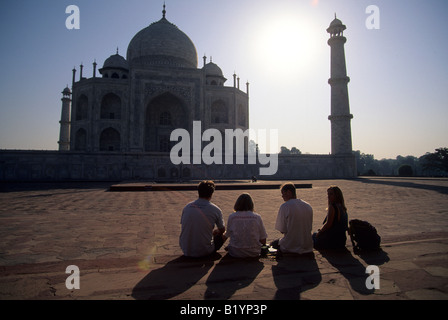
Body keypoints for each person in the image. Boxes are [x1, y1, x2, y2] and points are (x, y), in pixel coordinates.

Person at [179, 180, 226, 258]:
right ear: (211, 193)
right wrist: (215, 232)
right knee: (224, 233)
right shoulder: (215, 209)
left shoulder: (187, 207)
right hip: (205, 251)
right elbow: (222, 230)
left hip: (186, 250)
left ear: (198, 192)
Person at [270, 182, 313, 254]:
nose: (282, 196)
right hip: (307, 246)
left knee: (273, 244)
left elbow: (282, 230)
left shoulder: (285, 206)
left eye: (283, 193)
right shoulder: (308, 206)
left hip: (290, 246)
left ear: (289, 192)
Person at [224, 193, 267, 258]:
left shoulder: (232, 216)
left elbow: (227, 234)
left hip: (235, 252)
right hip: (254, 252)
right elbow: (263, 239)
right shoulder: (257, 217)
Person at [313, 185, 348, 250]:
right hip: (342, 241)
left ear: (336, 195)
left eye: (331, 194)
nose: (328, 196)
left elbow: (328, 224)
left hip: (332, 241)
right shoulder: (343, 207)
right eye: (328, 194)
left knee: (313, 236)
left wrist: (319, 233)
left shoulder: (333, 207)